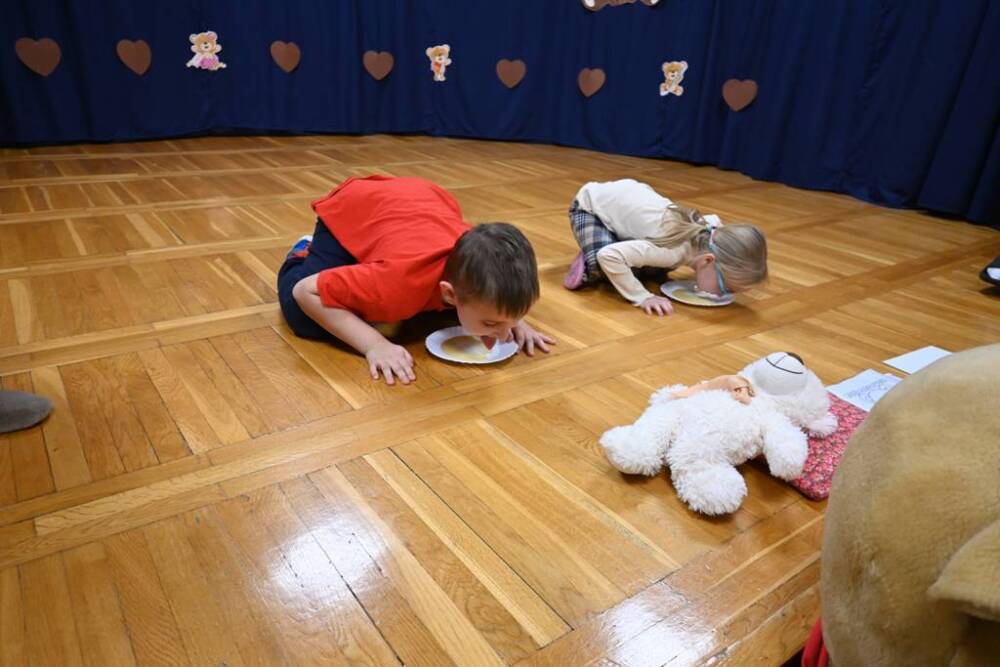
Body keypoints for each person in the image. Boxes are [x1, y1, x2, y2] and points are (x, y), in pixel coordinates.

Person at [279, 175, 554, 385]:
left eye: (512, 319)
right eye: (492, 323)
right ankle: (302, 252)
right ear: (449, 293)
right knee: (305, 318)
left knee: (451, 310)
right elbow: (305, 292)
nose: (505, 336)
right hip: (355, 206)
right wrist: (375, 345)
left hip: (423, 201)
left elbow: (496, 287)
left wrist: (512, 318)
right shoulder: (396, 285)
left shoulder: (477, 263)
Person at [563, 178, 769, 314]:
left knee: (655, 269)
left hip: (625, 197)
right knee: (604, 264)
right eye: (726, 288)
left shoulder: (712, 231)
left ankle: (620, 242)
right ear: (708, 260)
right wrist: (642, 297)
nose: (723, 295)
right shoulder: (672, 251)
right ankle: (588, 263)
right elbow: (609, 256)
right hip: (590, 208)